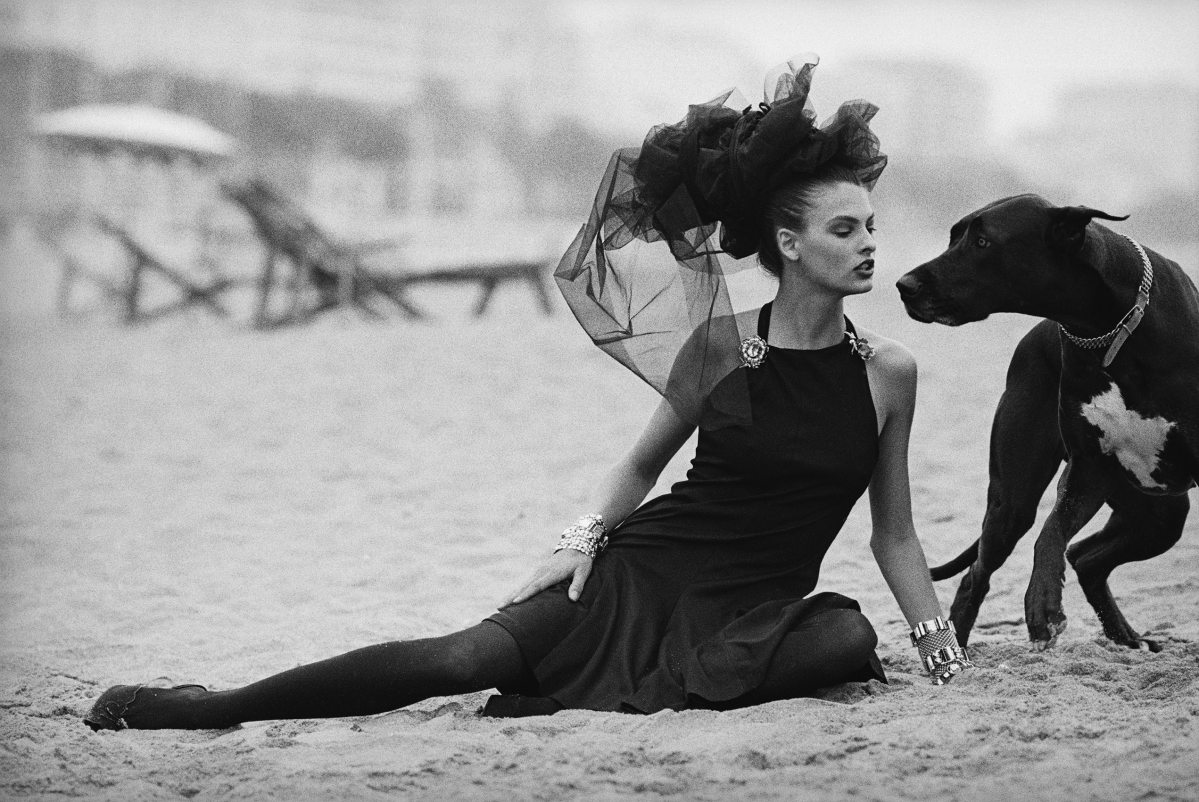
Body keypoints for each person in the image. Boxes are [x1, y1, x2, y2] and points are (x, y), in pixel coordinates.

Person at [84, 56, 971, 732]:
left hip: (753, 613)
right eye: (844, 228)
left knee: (845, 639)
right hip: (640, 579)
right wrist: (579, 542)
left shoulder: (886, 372)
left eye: (870, 226)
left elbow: (892, 533)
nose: (868, 244)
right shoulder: (721, 346)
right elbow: (640, 465)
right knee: (463, 659)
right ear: (787, 243)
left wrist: (939, 651)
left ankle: (630, 689)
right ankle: (203, 707)